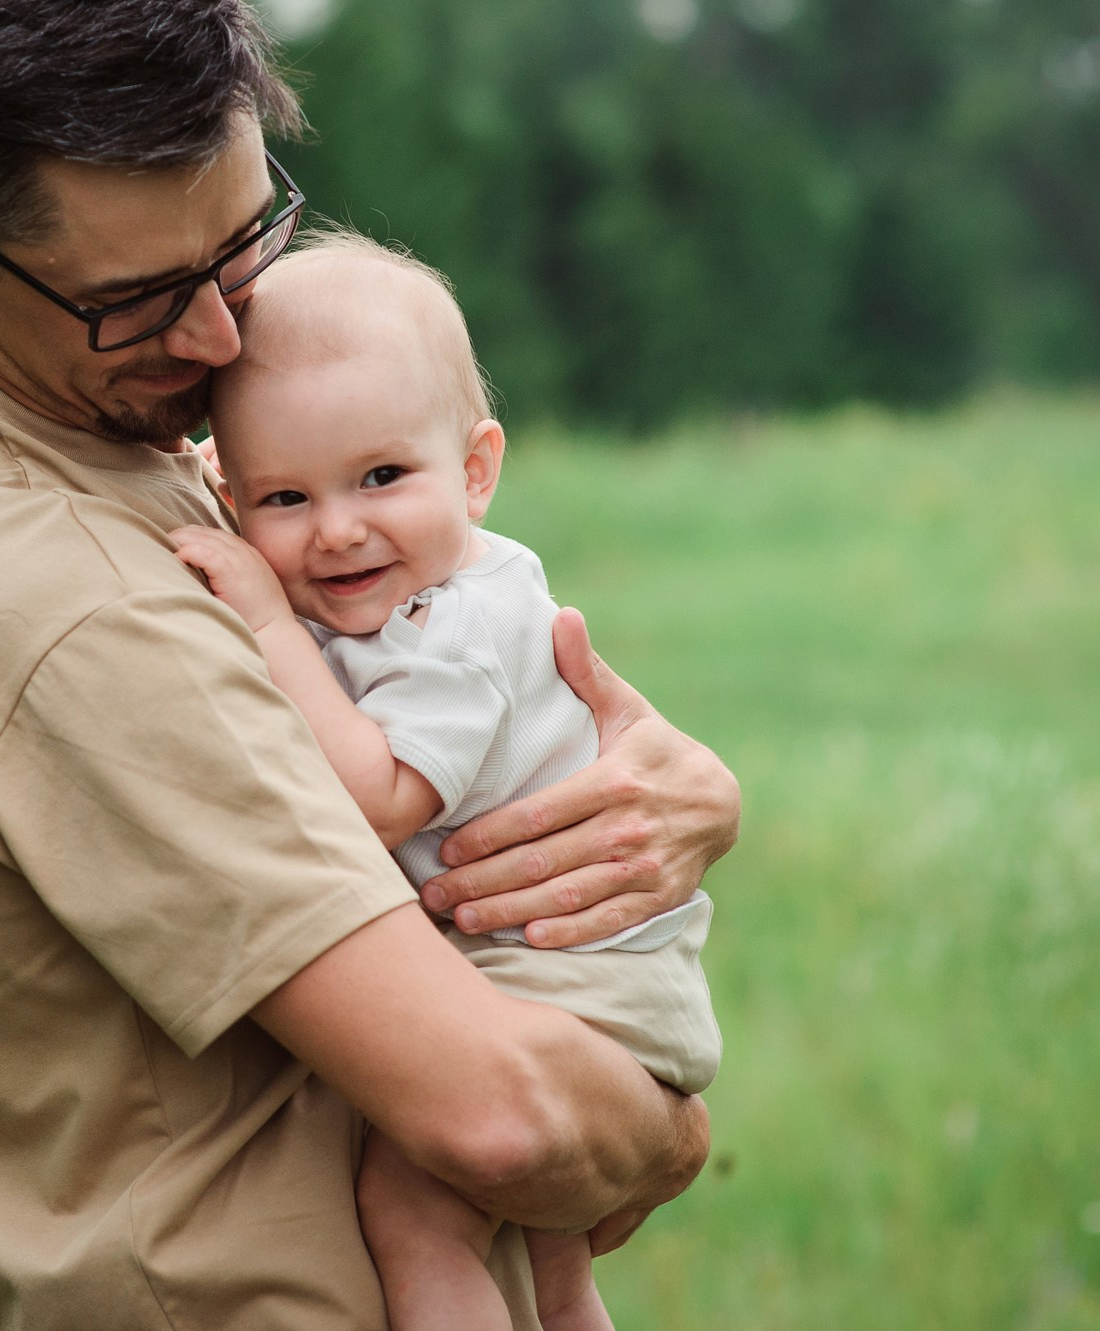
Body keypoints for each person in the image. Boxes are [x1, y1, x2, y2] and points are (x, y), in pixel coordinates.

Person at [0, 3, 740, 1327]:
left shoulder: (141, 456)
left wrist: (676, 793)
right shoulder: (74, 598)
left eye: (244, 243)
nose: (219, 339)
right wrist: (665, 1131)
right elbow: (501, 1115)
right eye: (140, 300)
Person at [170, 234, 721, 1331]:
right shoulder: (395, 588)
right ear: (227, 492)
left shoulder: (456, 626)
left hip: (576, 977)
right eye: (284, 496)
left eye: (381, 476)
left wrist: (267, 619)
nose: (336, 529)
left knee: (412, 1213)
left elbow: (377, 796)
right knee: (550, 1270)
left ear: (475, 468)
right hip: (564, 964)